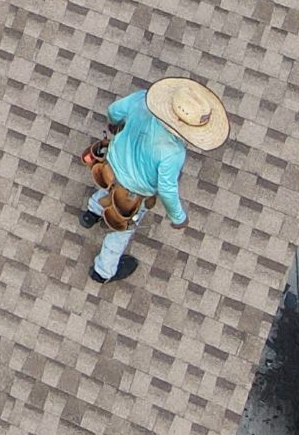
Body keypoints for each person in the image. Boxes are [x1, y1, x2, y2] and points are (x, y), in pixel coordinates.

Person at [82, 77, 229, 283]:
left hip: (111, 167)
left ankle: (92, 213)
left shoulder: (142, 99)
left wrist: (114, 125)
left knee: (109, 190)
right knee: (121, 230)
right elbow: (167, 189)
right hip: (134, 193)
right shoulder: (173, 152)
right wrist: (178, 217)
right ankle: (103, 271)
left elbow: (114, 111)